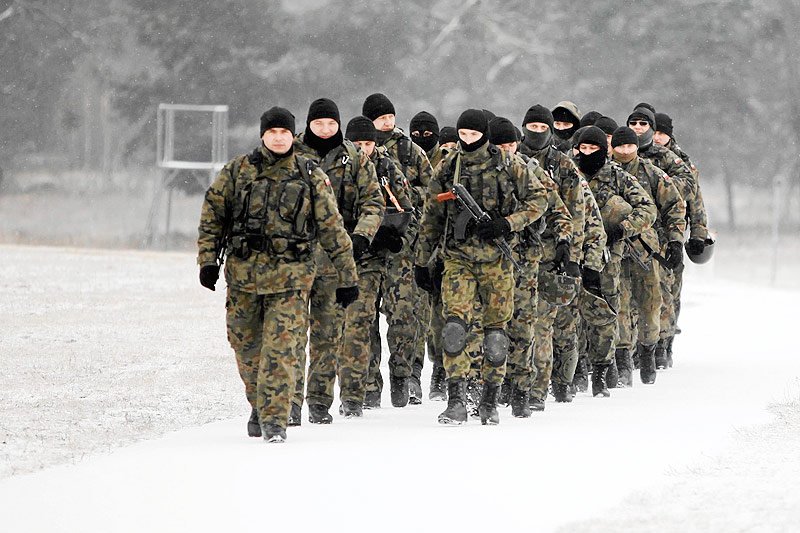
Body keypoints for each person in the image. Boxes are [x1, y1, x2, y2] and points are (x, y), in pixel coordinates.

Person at [197, 106, 358, 443]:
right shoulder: (238, 171)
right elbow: (213, 214)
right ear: (263, 135)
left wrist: (347, 276)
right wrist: (208, 260)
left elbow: (332, 228)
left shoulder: (309, 174)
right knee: (246, 347)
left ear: (292, 135)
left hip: (291, 278)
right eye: (273, 132)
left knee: (281, 351)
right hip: (244, 277)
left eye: (285, 132)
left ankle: (275, 421)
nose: (280, 137)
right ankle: (260, 403)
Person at [414, 109, 550, 425]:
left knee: (495, 333)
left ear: (484, 135)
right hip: (458, 259)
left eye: (474, 135)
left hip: (498, 260)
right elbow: (431, 219)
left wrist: (507, 223)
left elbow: (539, 200)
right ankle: (457, 399)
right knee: (453, 328)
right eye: (464, 135)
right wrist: (422, 261)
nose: (468, 141)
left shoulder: (509, 164)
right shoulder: (448, 168)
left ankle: (490, 399)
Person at [292, 99, 385, 422]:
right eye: (319, 124)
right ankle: (289, 401)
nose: (326, 130)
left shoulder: (355, 158)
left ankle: (319, 401)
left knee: (328, 334)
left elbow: (374, 201)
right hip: (295, 257)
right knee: (289, 332)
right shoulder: (292, 154)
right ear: (309, 125)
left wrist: (362, 235)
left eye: (331, 124)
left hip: (338, 257)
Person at [490, 115, 574, 417]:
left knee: (528, 325)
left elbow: (558, 211)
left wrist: (565, 243)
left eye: (511, 144)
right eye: (501, 144)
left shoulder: (532, 171)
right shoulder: (481, 170)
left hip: (527, 257)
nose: (508, 149)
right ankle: (494, 385)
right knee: (492, 325)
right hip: (489, 260)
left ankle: (528, 389)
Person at [362, 93, 433, 408]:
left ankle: (404, 378)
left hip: (401, 246)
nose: (386, 122)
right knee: (363, 319)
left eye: (389, 116)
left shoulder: (410, 151)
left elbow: (431, 193)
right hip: (365, 248)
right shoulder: (356, 152)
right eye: (379, 118)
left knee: (403, 316)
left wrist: (404, 203)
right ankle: (368, 385)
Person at [574, 126, 657, 397]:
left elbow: (647, 210)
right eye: (582, 149)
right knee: (570, 312)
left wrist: (621, 228)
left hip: (609, 253)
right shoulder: (568, 174)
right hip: (572, 250)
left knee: (607, 309)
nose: (587, 154)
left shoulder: (617, 177)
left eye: (593, 149)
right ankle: (575, 368)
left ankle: (606, 366)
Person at [610, 126, 685, 385]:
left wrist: (676, 241)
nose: (625, 151)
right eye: (620, 147)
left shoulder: (652, 174)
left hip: (647, 250)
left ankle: (649, 354)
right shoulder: (606, 174)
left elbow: (675, 206)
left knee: (651, 304)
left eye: (629, 146)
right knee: (619, 305)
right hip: (615, 251)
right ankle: (622, 362)